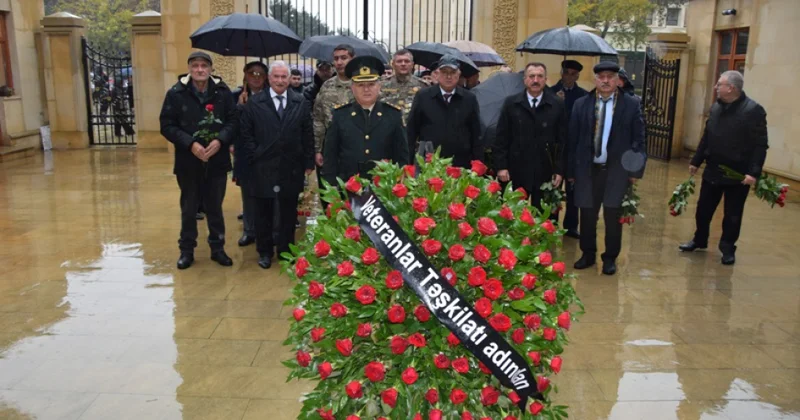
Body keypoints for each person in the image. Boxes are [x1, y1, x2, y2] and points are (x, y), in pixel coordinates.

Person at [679, 70, 768, 265]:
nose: (716, 87)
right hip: (713, 170)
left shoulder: (754, 111)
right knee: (703, 210)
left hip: (738, 175)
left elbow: (760, 145)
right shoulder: (716, 108)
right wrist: (696, 160)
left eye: (719, 84)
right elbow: (707, 137)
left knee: (733, 214)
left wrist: (754, 173)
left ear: (731, 88)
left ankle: (727, 247)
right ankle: (699, 239)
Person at [159, 51, 237, 270]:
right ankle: (186, 250)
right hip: (188, 161)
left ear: (211, 69)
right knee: (189, 207)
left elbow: (233, 121)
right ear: (190, 69)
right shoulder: (176, 93)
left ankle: (218, 249)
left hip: (216, 160)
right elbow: (166, 125)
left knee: (215, 207)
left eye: (204, 65)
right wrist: (190, 143)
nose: (200, 69)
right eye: (195, 66)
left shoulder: (222, 92)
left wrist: (220, 141)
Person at [568, 62, 646, 275]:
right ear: (595, 80)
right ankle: (588, 253)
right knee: (587, 214)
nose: (605, 80)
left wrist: (634, 172)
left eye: (610, 77)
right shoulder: (581, 105)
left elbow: (638, 141)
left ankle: (610, 257)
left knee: (613, 216)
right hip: (587, 170)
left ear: (617, 80)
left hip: (616, 171)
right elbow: (572, 140)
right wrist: (571, 171)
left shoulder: (630, 105)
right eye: (601, 77)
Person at [240, 61, 314, 269]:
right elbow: (246, 133)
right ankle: (264, 252)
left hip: (291, 165)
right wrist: (255, 154)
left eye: (284, 77)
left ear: (289, 79)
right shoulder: (255, 102)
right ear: (269, 79)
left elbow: (307, 133)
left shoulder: (300, 101)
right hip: (262, 166)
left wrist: (308, 161)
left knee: (288, 212)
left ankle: (285, 250)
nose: (280, 81)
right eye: (276, 77)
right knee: (263, 212)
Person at [322, 56, 409, 186]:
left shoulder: (393, 115)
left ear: (379, 86)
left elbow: (401, 157)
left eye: (371, 84)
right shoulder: (340, 115)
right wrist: (333, 194)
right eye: (360, 85)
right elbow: (330, 158)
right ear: (352, 88)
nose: (366, 89)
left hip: (384, 188)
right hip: (349, 186)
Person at [493, 62, 567, 213]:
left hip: (546, 172)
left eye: (540, 76)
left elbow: (563, 140)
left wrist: (559, 170)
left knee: (546, 218)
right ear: (524, 79)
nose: (535, 80)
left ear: (545, 79)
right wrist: (501, 166)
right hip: (516, 171)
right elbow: (501, 137)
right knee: (512, 216)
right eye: (531, 76)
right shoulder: (511, 103)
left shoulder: (557, 104)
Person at [406, 54, 482, 166]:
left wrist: (477, 163)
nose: (448, 76)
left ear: (459, 74)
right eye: (445, 72)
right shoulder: (423, 96)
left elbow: (476, 133)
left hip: (460, 162)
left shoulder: (469, 98)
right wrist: (408, 162)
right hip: (429, 162)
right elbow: (411, 131)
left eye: (452, 72)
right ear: (437, 74)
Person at [231, 61, 268, 247]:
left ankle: (266, 230)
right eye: (252, 73)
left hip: (266, 152)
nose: (256, 77)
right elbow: (231, 125)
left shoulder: (272, 96)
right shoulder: (236, 96)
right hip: (245, 152)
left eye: (260, 74)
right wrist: (240, 107)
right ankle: (249, 230)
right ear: (245, 75)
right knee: (248, 193)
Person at [552, 59, 588, 239]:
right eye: (567, 73)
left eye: (574, 74)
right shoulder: (550, 92)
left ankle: (571, 224)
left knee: (573, 188)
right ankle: (551, 221)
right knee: (553, 186)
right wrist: (557, 103)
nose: (570, 77)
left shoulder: (583, 96)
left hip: (574, 148)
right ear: (562, 73)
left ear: (578, 76)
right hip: (556, 148)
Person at [313, 44, 356, 170]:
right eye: (336, 59)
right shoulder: (327, 86)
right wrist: (318, 149)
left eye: (344, 58)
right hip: (332, 146)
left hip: (358, 146)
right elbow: (318, 120)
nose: (339, 62)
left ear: (353, 59)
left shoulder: (363, 85)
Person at [381, 49, 428, 125]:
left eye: (407, 61)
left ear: (412, 64)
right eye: (399, 61)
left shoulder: (423, 85)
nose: (403, 64)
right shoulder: (382, 85)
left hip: (413, 130)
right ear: (393, 64)